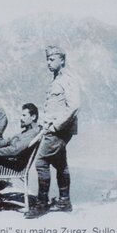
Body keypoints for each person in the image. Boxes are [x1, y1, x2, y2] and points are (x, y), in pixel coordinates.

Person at [28, 45, 80, 218]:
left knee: (41, 162)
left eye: (52, 59)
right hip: (55, 127)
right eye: (47, 59)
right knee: (59, 163)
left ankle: (42, 203)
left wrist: (56, 126)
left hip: (59, 129)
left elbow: (73, 106)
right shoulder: (57, 78)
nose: (48, 63)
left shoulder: (68, 78)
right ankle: (64, 200)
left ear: (62, 60)